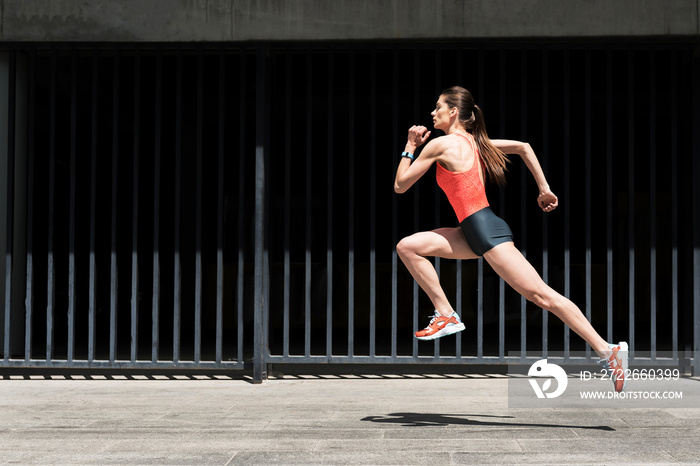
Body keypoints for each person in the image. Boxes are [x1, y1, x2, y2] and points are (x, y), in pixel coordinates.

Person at [393, 86, 628, 392]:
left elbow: (400, 184)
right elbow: (524, 146)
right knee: (408, 247)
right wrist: (543, 189)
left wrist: (410, 146)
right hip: (470, 232)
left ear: (453, 112)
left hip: (486, 232)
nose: (432, 112)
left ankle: (606, 349)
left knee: (542, 296)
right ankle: (447, 314)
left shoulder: (441, 144)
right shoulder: (475, 142)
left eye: (438, 107)